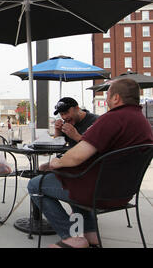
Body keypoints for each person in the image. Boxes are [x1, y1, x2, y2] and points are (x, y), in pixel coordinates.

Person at [27, 79, 153, 248]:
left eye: (107, 95)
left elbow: (77, 157)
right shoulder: (143, 123)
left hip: (98, 192)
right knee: (73, 179)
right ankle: (91, 233)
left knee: (35, 184)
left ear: (116, 98)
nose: (106, 99)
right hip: (123, 193)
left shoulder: (112, 119)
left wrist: (56, 163)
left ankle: (71, 237)